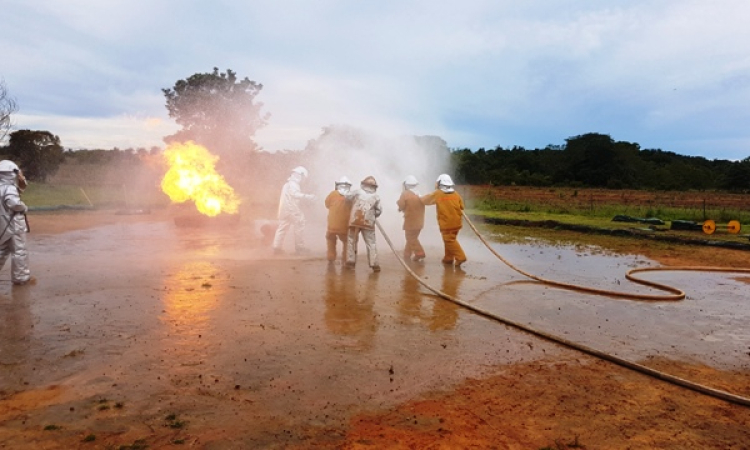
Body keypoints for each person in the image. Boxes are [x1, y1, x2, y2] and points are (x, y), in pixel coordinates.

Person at [421, 174, 466, 267]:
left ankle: (460, 257)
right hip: (457, 222)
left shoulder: (438, 193)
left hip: (447, 223)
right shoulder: (456, 194)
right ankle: (448, 258)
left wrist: (419, 197)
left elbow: (425, 200)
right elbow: (462, 206)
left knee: (449, 240)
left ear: (441, 183)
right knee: (450, 239)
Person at [0, 160, 34, 285]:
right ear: (12, 173)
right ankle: (21, 278)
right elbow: (13, 203)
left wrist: (21, 181)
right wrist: (23, 207)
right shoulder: (9, 188)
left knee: (2, 249)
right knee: (19, 250)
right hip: (14, 225)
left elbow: (22, 187)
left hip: (3, 224)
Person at [272, 166, 316, 255]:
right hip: (292, 209)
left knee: (282, 227)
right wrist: (308, 197)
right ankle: (299, 247)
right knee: (300, 224)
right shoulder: (293, 184)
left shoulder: (287, 184)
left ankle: (277, 247)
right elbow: (294, 194)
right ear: (300, 175)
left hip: (284, 210)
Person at [345, 176, 382, 272]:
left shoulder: (357, 192)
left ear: (364, 184)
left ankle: (350, 262)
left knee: (351, 240)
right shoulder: (376, 197)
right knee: (371, 243)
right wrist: (372, 215)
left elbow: (347, 198)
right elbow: (379, 210)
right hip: (368, 223)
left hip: (354, 220)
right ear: (374, 186)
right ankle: (374, 264)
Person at [396, 175, 426, 262]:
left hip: (410, 221)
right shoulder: (419, 195)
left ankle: (420, 253)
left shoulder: (405, 194)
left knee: (410, 237)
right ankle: (407, 254)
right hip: (420, 221)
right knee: (412, 237)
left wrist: (399, 206)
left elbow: (401, 205)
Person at [324, 176, 353, 262]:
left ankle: (331, 256)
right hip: (344, 225)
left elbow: (327, 204)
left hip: (332, 224)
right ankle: (345, 258)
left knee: (330, 239)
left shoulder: (333, 194)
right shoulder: (351, 196)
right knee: (347, 241)